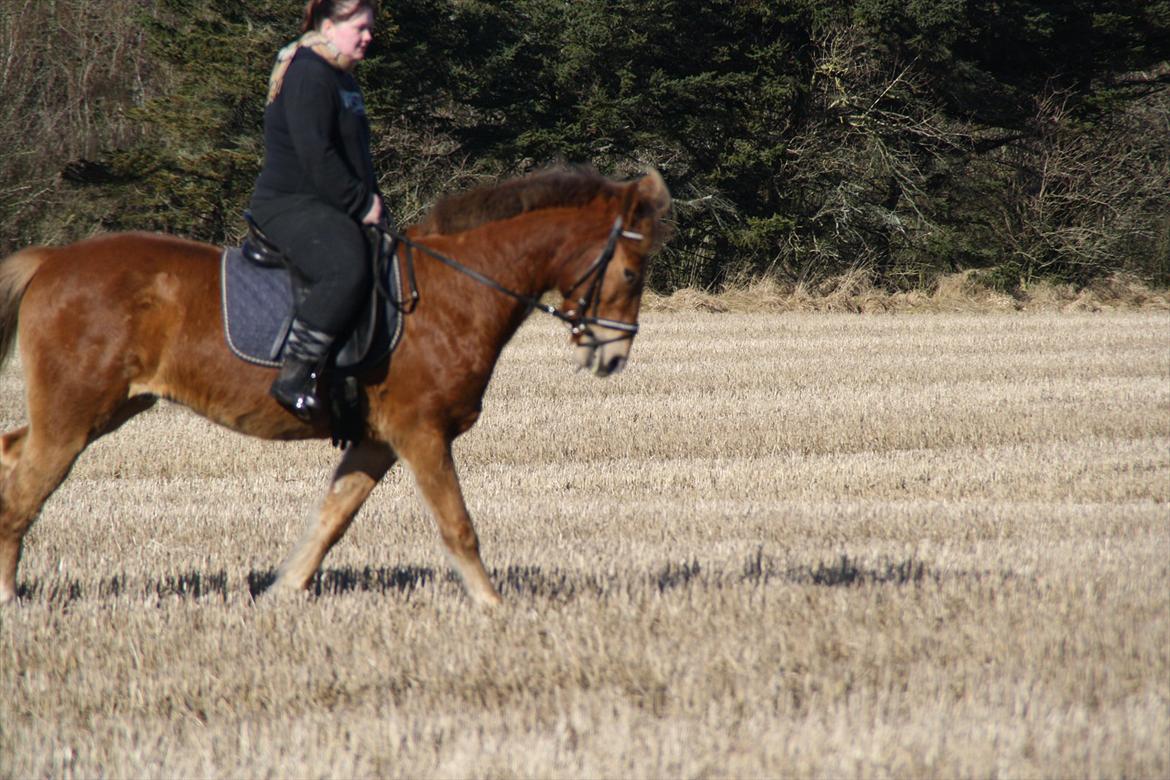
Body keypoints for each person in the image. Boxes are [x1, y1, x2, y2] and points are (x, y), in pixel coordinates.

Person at [250, 0, 384, 420]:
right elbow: (317, 157)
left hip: (324, 204)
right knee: (345, 266)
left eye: (370, 28)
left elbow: (355, 157)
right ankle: (295, 375)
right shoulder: (309, 73)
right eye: (360, 27)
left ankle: (347, 388)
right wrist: (360, 203)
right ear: (328, 25)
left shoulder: (342, 78)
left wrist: (376, 206)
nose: (368, 36)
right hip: (289, 204)